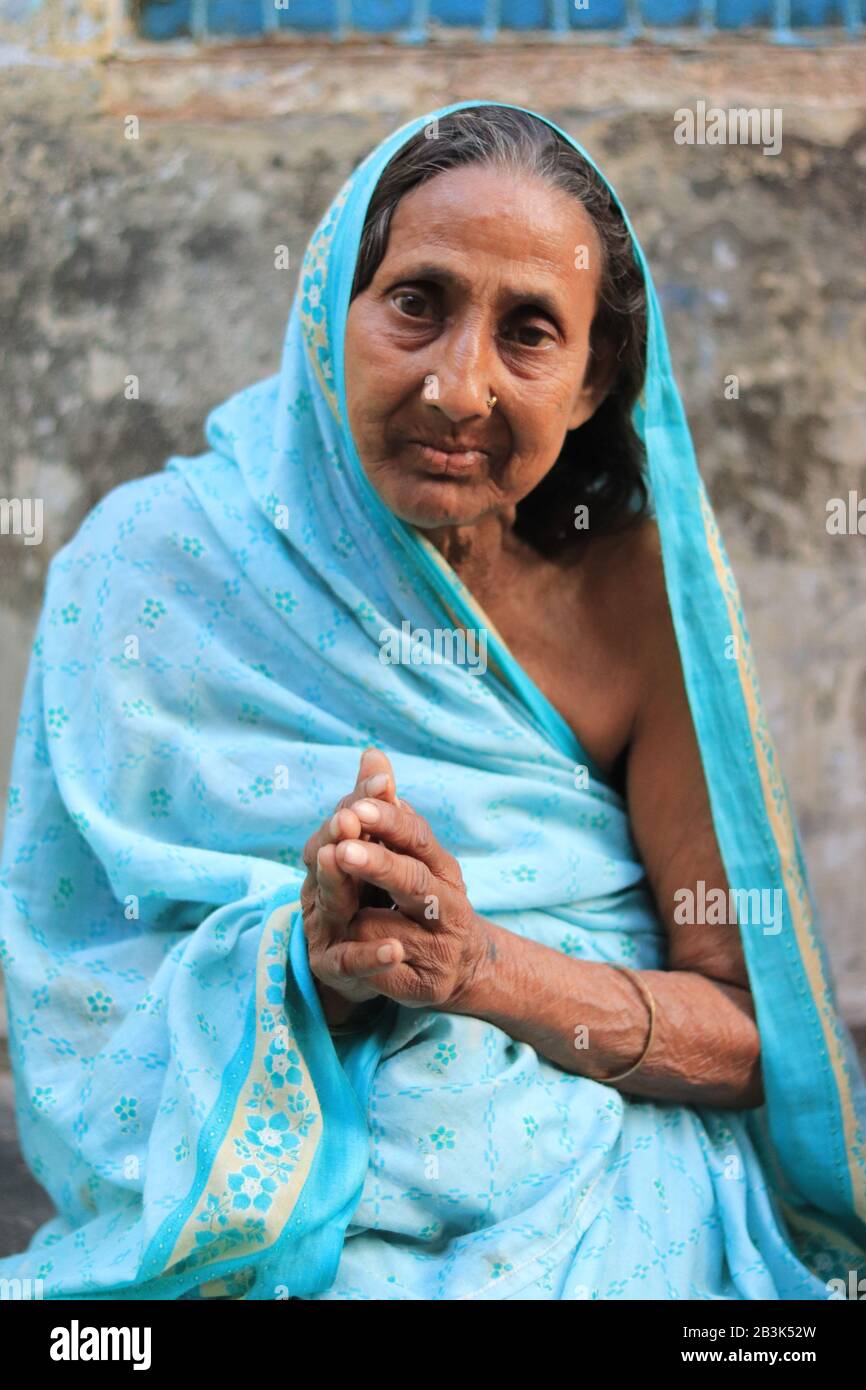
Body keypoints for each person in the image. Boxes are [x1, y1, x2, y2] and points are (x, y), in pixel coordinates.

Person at [0, 101, 863, 1301]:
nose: (459, 389)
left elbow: (744, 1032)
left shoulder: (631, 598)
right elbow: (73, 990)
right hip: (280, 1227)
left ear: (592, 374)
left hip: (606, 1201)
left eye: (528, 334)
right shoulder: (149, 567)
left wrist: (475, 967)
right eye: (416, 302)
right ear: (326, 314)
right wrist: (315, 972)